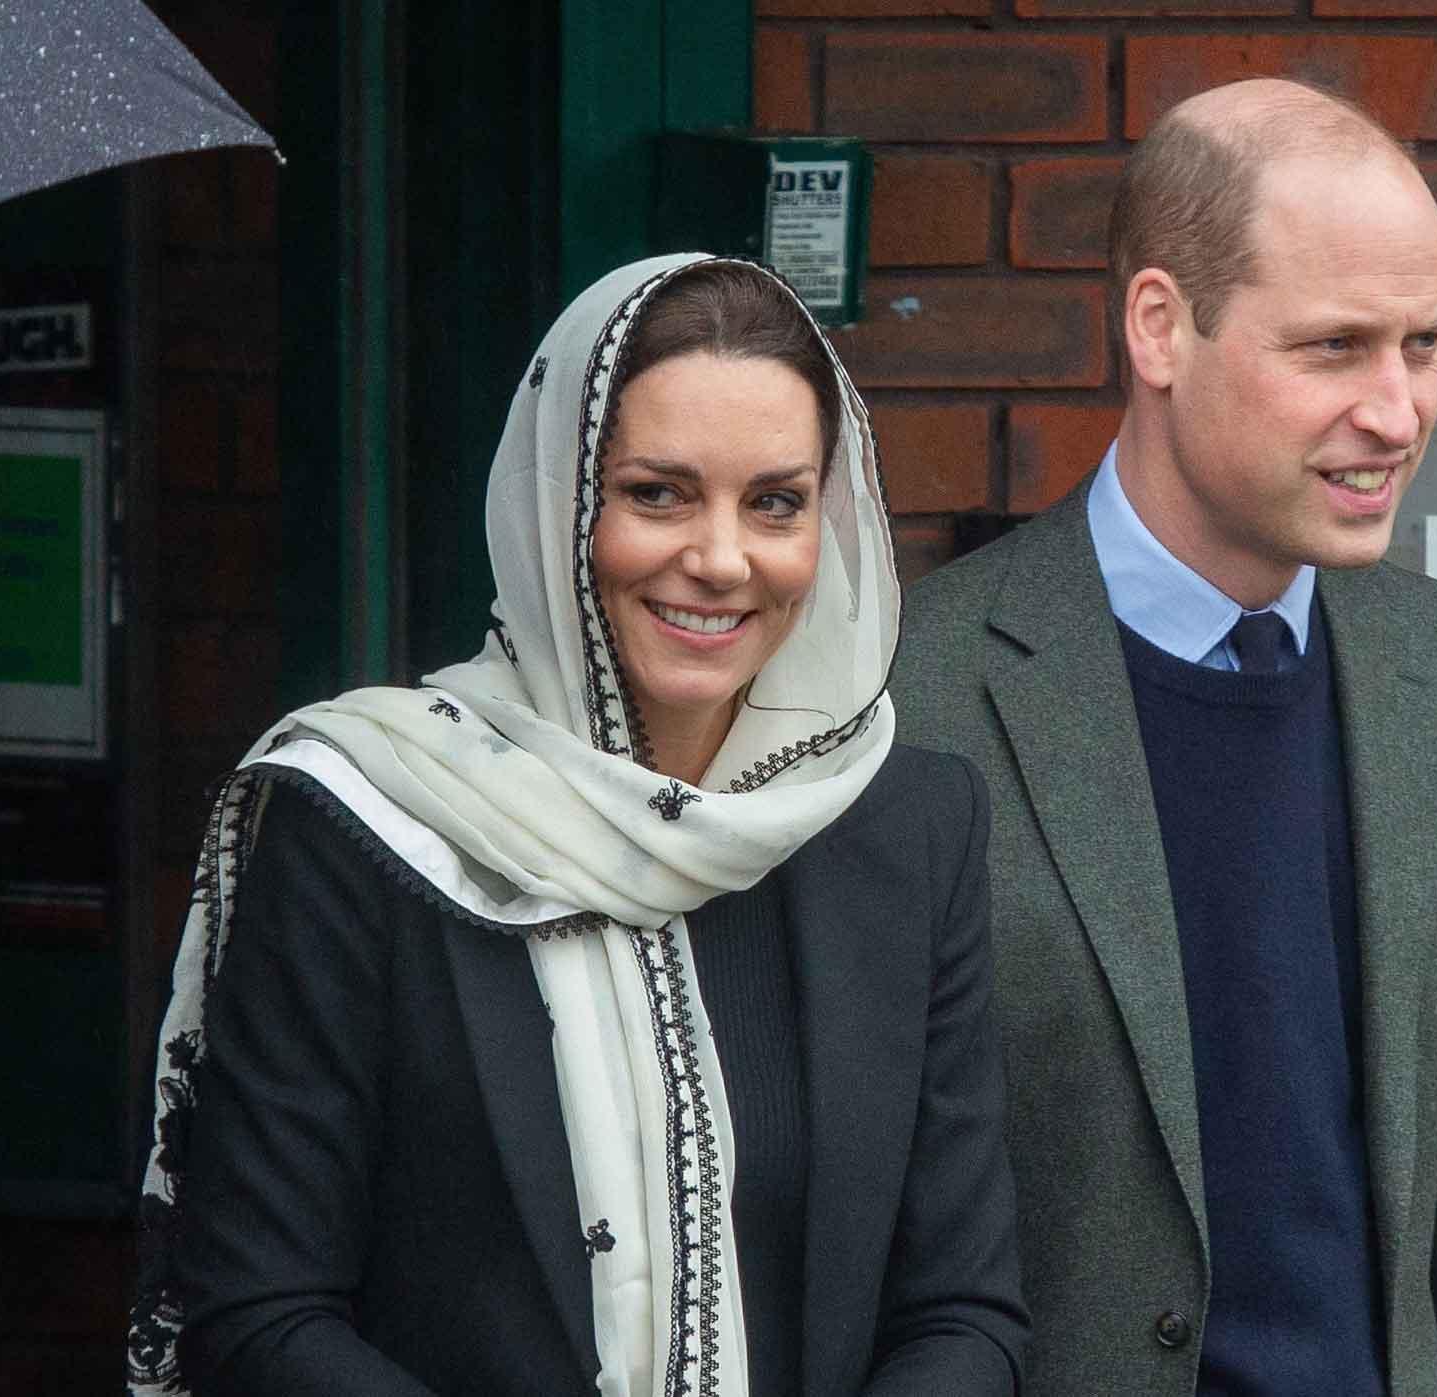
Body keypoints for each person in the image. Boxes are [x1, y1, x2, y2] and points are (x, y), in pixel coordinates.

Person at [126, 254, 1026, 1397]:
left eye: (776, 502)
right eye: (658, 492)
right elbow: (259, 1314)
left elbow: (964, 1313)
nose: (720, 557)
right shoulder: (359, 817)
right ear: (558, 503)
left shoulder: (905, 824)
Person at [892, 79, 1437, 1397]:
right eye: (1332, 348)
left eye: (1420, 345)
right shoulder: (910, 692)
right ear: (1159, 326)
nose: (1396, 409)